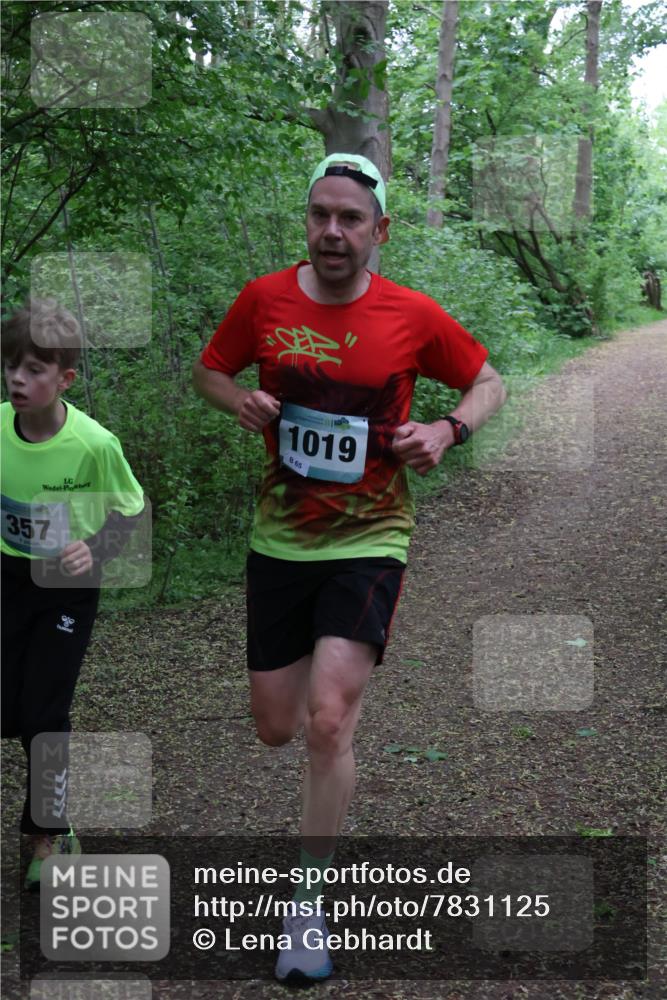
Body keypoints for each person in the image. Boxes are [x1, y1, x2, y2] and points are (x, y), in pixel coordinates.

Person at [193, 153, 506, 982]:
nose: (333, 231)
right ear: (308, 221)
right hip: (280, 537)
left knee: (330, 719)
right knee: (275, 727)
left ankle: (308, 903)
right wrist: (240, 401)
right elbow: (210, 371)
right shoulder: (265, 299)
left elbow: (487, 381)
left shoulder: (410, 313)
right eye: (320, 214)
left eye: (350, 219)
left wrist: (446, 430)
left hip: (371, 534)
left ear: (379, 231)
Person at [1, 298, 145, 890]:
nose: (17, 378)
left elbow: (129, 511)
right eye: (11, 365)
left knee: (45, 710)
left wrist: (96, 547)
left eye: (34, 369)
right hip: (8, 580)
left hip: (65, 587)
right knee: (11, 710)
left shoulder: (94, 444)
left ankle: (49, 833)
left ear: (65, 379)